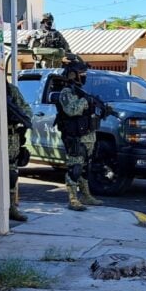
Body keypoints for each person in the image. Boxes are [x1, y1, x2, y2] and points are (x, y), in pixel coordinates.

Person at [55, 58, 104, 211]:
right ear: (73, 75)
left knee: (85, 168)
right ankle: (73, 199)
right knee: (75, 168)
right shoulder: (66, 93)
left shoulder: (82, 93)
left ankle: (86, 196)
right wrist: (85, 101)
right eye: (81, 73)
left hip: (89, 136)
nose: (84, 76)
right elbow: (71, 110)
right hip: (75, 137)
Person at [5, 73, 33, 222]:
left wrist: (17, 116)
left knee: (11, 173)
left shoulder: (11, 90)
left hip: (12, 137)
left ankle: (11, 208)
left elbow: (27, 110)